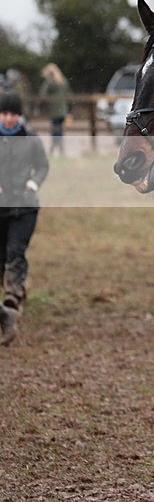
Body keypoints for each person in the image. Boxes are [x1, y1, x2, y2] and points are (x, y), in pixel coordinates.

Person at [0, 92, 49, 345]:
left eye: (13, 114)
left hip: (25, 207)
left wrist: (33, 183)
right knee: (2, 255)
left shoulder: (30, 138)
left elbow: (43, 165)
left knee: (15, 250)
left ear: (19, 115)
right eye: (5, 114)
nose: (9, 119)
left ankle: (13, 294)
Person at [39, 63, 71, 155]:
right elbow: (69, 95)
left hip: (54, 110)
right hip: (63, 110)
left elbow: (42, 94)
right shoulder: (63, 80)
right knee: (59, 129)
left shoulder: (50, 81)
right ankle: (61, 149)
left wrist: (49, 101)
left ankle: (53, 149)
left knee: (55, 130)